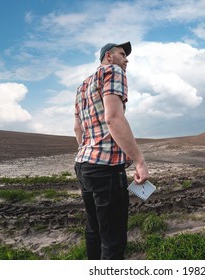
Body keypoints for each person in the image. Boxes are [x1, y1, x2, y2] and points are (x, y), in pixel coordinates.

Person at [74, 41, 149, 260]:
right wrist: (139, 161)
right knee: (113, 239)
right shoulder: (113, 71)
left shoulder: (82, 86)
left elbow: (77, 128)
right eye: (122, 54)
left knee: (94, 228)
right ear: (109, 56)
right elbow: (114, 118)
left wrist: (89, 150)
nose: (126, 60)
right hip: (105, 169)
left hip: (83, 164)